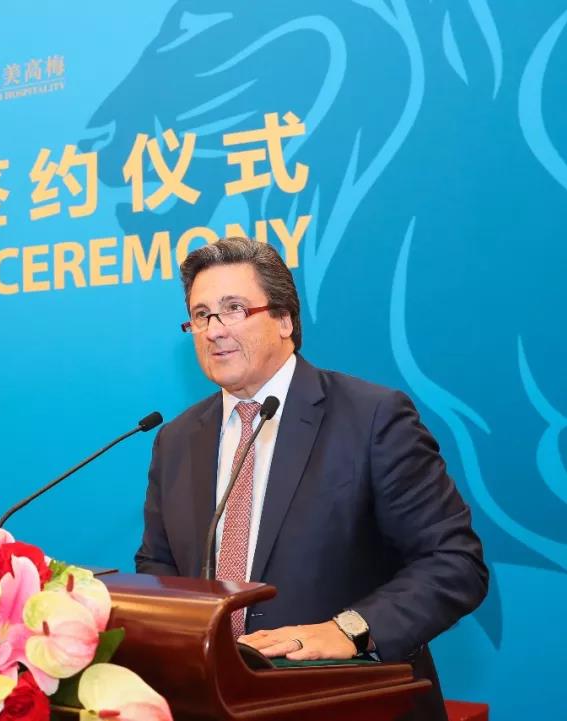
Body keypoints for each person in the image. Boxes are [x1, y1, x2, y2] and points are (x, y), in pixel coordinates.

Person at [135, 237, 488, 721]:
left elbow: (454, 562)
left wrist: (350, 630)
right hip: (215, 704)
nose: (214, 330)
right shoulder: (176, 439)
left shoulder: (372, 417)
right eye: (201, 315)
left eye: (234, 309)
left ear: (284, 319)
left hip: (350, 702)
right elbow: (158, 565)